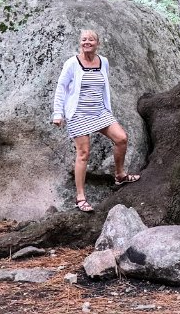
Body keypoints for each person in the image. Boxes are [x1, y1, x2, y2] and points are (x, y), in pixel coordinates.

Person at [52, 29, 139, 212]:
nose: (87, 42)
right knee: (83, 153)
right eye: (84, 39)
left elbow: (102, 86)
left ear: (97, 43)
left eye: (91, 40)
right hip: (78, 114)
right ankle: (80, 197)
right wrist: (57, 113)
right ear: (80, 43)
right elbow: (61, 87)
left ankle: (120, 175)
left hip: (100, 111)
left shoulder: (103, 62)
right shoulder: (72, 63)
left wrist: (106, 108)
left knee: (121, 138)